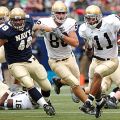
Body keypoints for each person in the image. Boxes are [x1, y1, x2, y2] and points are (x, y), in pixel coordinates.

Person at [36, 1, 95, 114]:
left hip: (69, 58)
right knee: (74, 83)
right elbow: (33, 27)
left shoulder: (70, 22)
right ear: (53, 13)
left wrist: (61, 35)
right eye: (58, 13)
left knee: (76, 82)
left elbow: (76, 43)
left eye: (63, 13)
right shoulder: (45, 21)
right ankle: (88, 106)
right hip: (55, 61)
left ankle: (59, 82)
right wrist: (42, 27)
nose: (61, 15)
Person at [0, 7, 55, 116]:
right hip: (16, 63)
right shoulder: (5, 31)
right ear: (10, 20)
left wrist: (52, 29)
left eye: (20, 19)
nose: (18, 22)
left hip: (30, 59)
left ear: (24, 19)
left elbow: (37, 27)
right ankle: (45, 105)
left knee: (46, 86)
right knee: (28, 83)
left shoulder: (29, 21)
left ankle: (47, 101)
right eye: (15, 20)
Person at [78, 5, 120, 118]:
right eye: (88, 18)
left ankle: (88, 103)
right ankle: (100, 102)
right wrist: (88, 48)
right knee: (95, 88)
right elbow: (89, 54)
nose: (90, 21)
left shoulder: (111, 22)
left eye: (92, 18)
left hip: (111, 60)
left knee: (98, 73)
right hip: (96, 60)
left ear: (99, 17)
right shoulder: (84, 29)